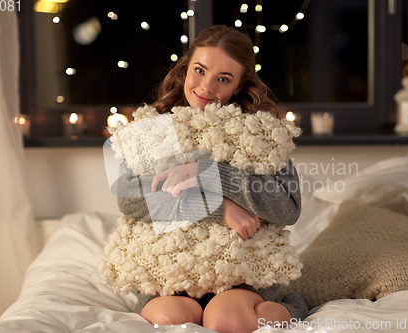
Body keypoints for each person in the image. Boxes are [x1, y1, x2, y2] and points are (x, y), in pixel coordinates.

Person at [116, 25, 307, 333]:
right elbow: (129, 198)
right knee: (171, 322)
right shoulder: (153, 127)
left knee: (226, 321)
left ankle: (290, 306)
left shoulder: (260, 134)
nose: (206, 86)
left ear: (240, 85)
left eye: (223, 79)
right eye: (200, 70)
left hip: (240, 270)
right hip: (168, 269)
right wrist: (219, 208)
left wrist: (208, 172)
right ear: (185, 68)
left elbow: (287, 207)